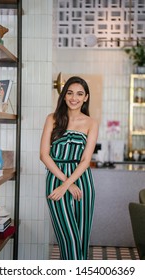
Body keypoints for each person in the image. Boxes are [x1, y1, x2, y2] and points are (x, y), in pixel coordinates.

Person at [40, 76, 99, 260]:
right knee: (69, 240)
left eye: (80, 94)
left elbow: (85, 160)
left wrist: (68, 184)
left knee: (81, 240)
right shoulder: (52, 118)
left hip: (83, 182)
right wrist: (65, 183)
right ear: (64, 96)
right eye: (70, 93)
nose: (74, 97)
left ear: (86, 97)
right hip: (56, 179)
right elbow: (44, 155)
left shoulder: (91, 123)